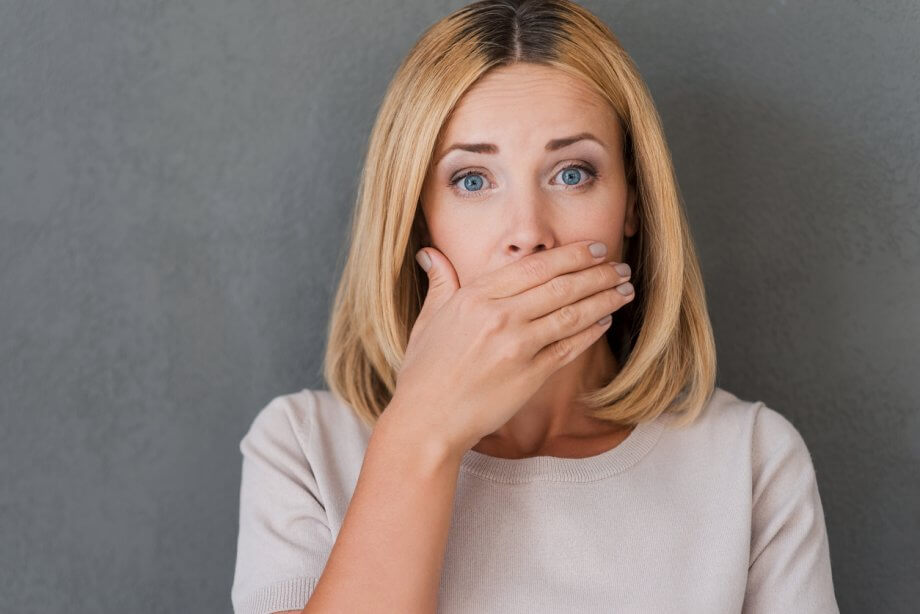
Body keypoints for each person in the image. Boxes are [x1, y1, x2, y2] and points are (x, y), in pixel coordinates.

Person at [230, 1, 840, 613]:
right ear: (418, 223)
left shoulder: (751, 461)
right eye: (472, 180)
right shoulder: (304, 449)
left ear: (632, 204)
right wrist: (421, 433)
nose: (528, 232)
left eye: (572, 174)